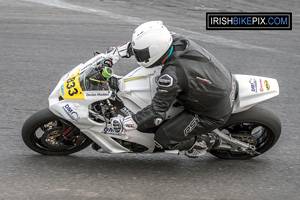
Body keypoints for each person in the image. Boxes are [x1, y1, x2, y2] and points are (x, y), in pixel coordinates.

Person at [107, 21, 236, 158]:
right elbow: (147, 44)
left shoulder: (171, 76)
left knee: (163, 139)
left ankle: (206, 141)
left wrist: (130, 122)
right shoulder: (172, 39)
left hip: (211, 112)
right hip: (220, 82)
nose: (139, 56)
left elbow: (156, 112)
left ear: (156, 50)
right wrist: (118, 53)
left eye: (142, 54)